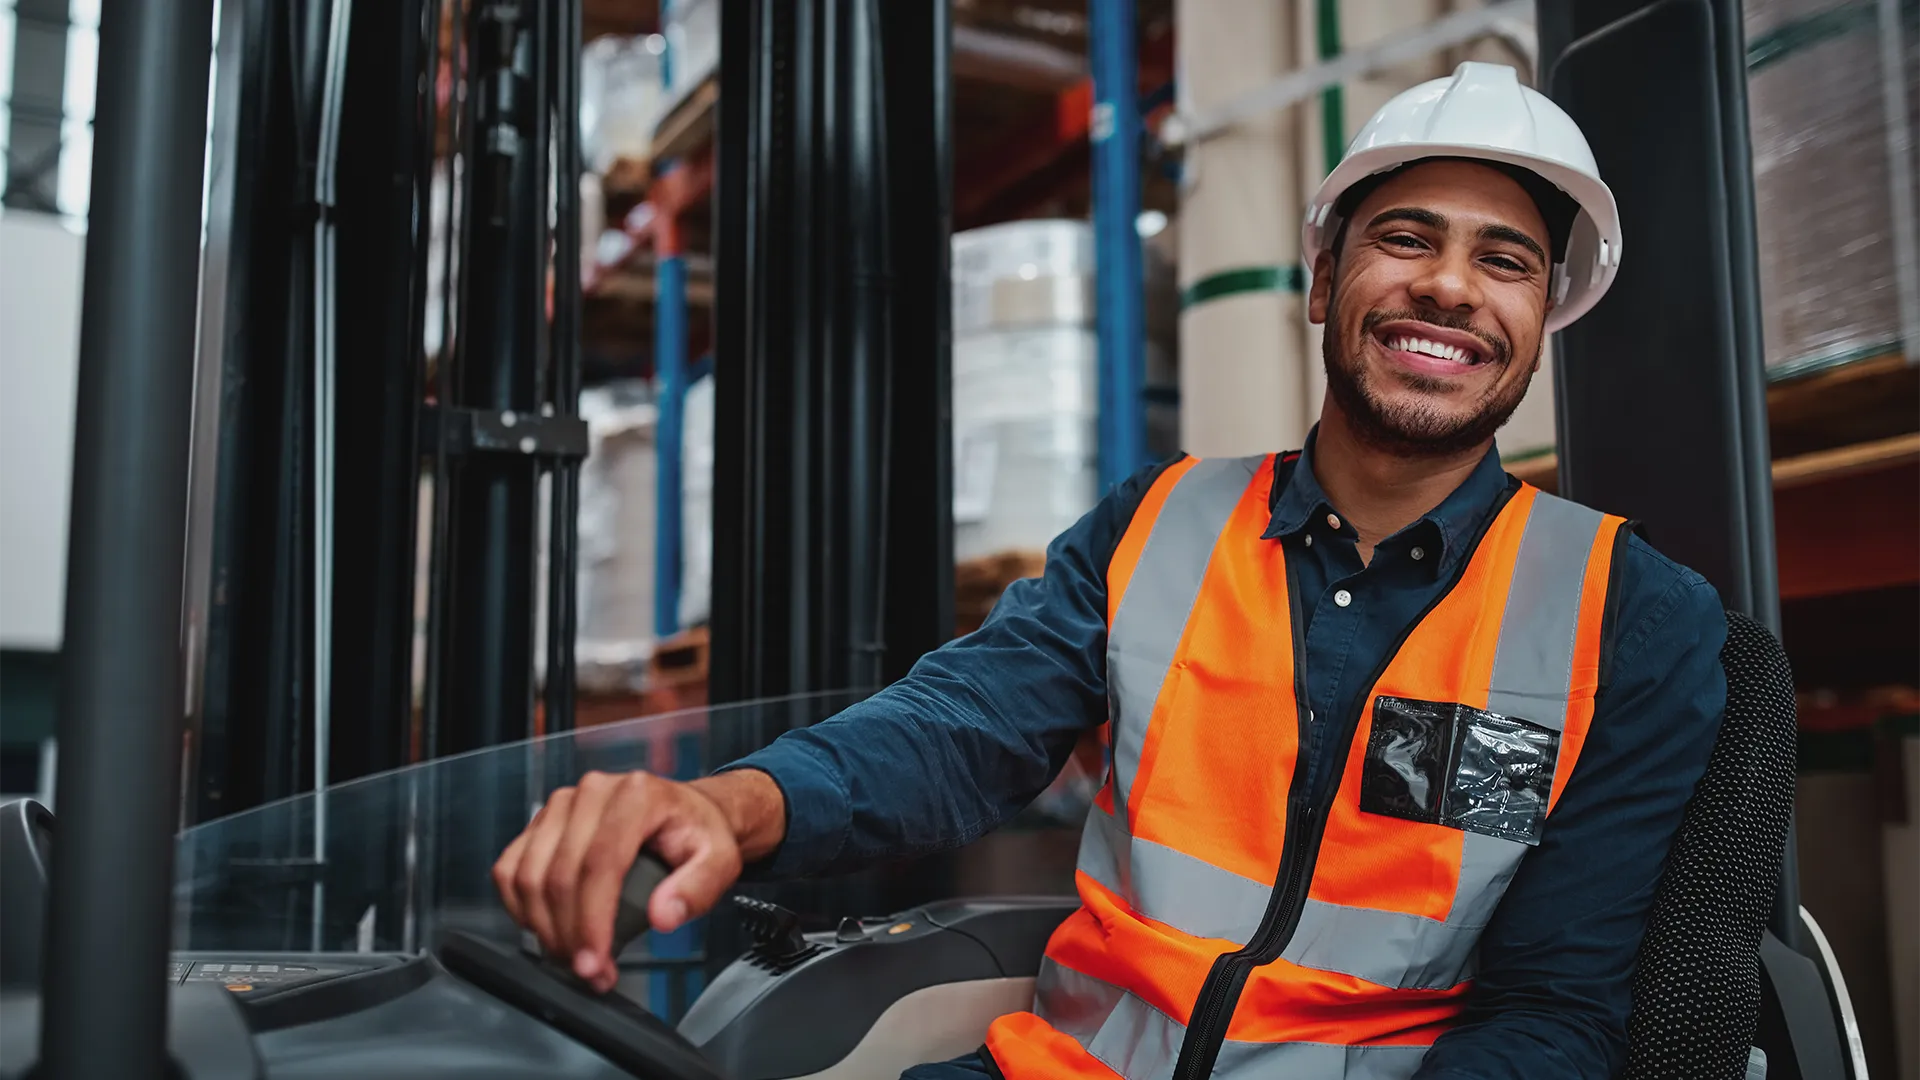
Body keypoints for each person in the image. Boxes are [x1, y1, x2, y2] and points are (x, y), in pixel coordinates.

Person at [493, 62, 1728, 1080]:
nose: (1450, 286)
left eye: (1505, 260)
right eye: (1405, 239)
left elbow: (1556, 1017)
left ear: (1541, 320)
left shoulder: (1631, 619)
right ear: (1321, 280)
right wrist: (726, 806)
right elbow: (959, 729)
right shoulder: (1163, 523)